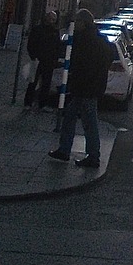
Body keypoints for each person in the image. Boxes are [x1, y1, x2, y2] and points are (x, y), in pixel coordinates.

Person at [48, 9, 113, 168]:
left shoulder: (85, 41)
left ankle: (93, 156)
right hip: (87, 88)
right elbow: (108, 59)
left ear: (83, 23)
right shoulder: (100, 40)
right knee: (70, 117)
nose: (75, 24)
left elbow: (81, 65)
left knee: (89, 123)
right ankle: (64, 150)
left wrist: (76, 79)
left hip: (86, 89)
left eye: (77, 22)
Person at [25, 10, 63, 109]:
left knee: (46, 84)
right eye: (50, 18)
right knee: (33, 82)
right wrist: (33, 57)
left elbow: (57, 46)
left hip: (49, 61)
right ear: (46, 18)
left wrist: (55, 58)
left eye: (53, 19)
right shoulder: (37, 29)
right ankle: (28, 103)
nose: (51, 21)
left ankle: (42, 104)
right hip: (38, 60)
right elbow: (31, 44)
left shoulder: (55, 31)